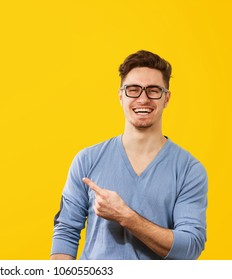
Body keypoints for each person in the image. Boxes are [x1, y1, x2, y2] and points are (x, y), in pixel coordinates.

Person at [50, 50, 208, 260]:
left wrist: (126, 217)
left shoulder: (189, 170)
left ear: (166, 98)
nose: (143, 99)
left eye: (153, 90)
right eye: (133, 90)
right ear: (121, 96)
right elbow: (66, 232)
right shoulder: (87, 160)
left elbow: (190, 247)